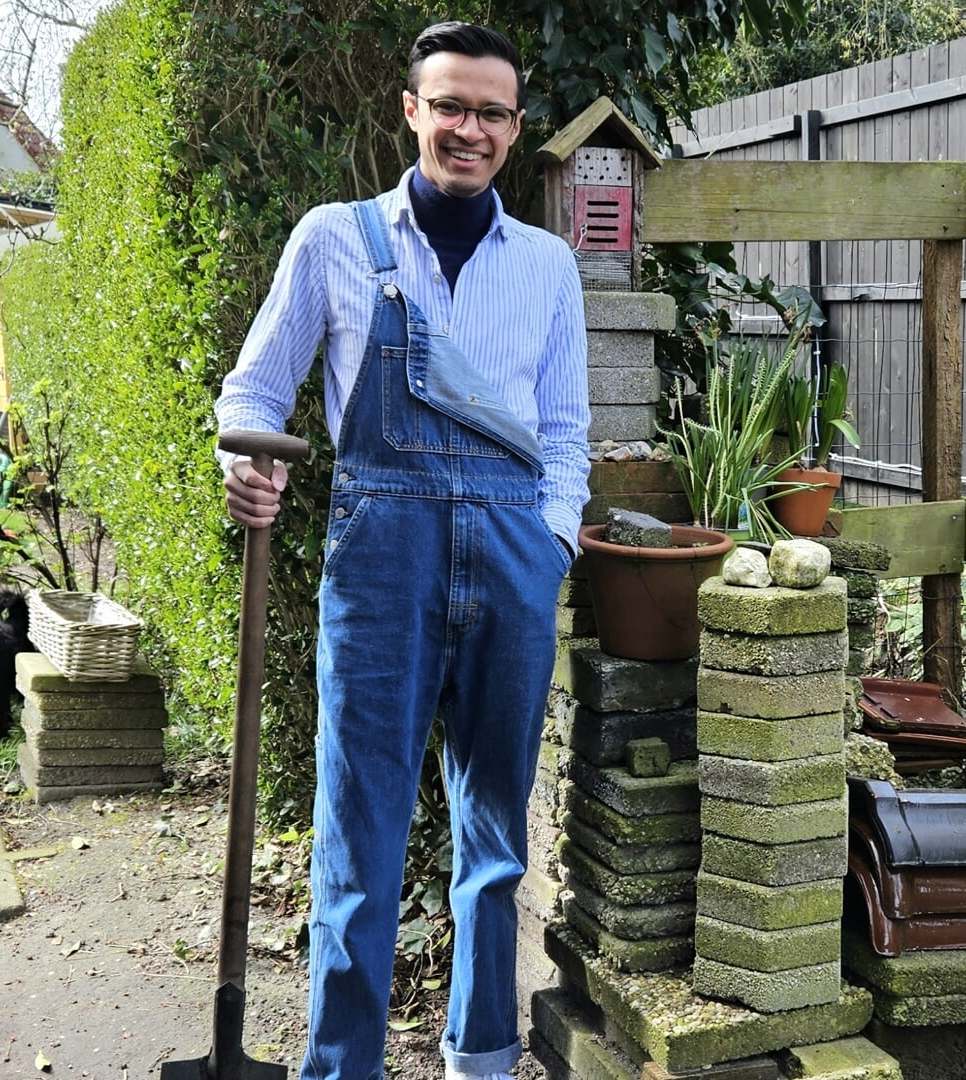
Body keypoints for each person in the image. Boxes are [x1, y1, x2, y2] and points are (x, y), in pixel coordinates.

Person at [214, 21, 589, 1080]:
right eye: (451, 106)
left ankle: (480, 1055)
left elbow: (563, 427)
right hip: (382, 559)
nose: (468, 129)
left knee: (494, 833)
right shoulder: (335, 240)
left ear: (515, 130)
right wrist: (246, 463)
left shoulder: (549, 267)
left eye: (491, 112)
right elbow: (252, 390)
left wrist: (551, 540)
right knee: (359, 833)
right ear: (412, 110)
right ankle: (342, 1066)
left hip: (515, 555)